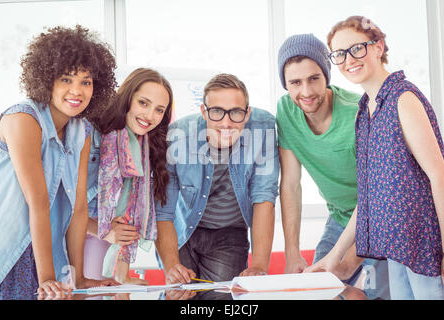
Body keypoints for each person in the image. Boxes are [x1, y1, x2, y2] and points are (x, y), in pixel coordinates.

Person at [307, 16, 444, 300]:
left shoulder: (402, 98)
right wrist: (334, 257)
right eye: (339, 54)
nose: (349, 60)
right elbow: (369, 196)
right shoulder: (365, 111)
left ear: (379, 47)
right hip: (398, 249)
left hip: (426, 247)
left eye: (357, 48)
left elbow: (439, 175)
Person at [0, 25, 119, 300]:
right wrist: (47, 279)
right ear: (46, 79)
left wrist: (78, 277)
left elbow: (79, 209)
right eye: (66, 79)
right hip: (6, 251)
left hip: (46, 254)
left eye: (86, 82)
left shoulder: (82, 131)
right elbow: (37, 202)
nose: (77, 91)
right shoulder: (23, 120)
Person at [276, 33, 390, 299]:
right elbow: (291, 185)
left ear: (327, 75)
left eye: (314, 78)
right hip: (340, 218)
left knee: (376, 293)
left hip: (383, 217)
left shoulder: (359, 114)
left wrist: (349, 261)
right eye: (295, 82)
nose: (306, 92)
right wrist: (292, 253)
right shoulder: (287, 111)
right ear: (286, 85)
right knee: (317, 292)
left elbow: (378, 196)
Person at [155, 74, 279, 292]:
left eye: (236, 112)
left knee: (222, 299)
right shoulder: (178, 136)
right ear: (204, 112)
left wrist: (259, 265)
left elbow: (264, 197)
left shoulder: (263, 129)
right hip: (183, 231)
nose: (226, 122)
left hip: (229, 234)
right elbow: (163, 209)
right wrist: (170, 265)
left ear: (247, 112)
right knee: (179, 295)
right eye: (217, 112)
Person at [85, 68, 173, 285]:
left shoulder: (143, 146)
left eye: (159, 110)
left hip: (104, 241)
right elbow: (61, 205)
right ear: (127, 99)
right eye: (143, 103)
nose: (150, 116)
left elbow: (128, 216)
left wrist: (122, 276)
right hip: (75, 235)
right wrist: (102, 231)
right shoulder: (92, 135)